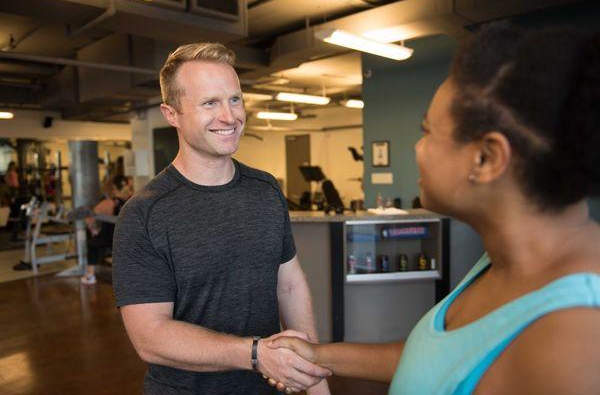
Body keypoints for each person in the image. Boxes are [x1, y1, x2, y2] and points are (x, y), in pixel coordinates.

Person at [268, 24, 600, 394]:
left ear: (486, 158)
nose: (418, 148)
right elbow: (439, 360)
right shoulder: (507, 258)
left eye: (427, 132)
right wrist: (317, 355)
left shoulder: (577, 335)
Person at [112, 43, 331, 394]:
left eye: (234, 99)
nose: (229, 117)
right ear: (172, 114)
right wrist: (257, 354)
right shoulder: (144, 214)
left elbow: (289, 283)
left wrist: (314, 378)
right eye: (209, 103)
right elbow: (150, 336)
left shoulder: (266, 189)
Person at [80, 175, 132, 285]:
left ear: (113, 187)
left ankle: (90, 276)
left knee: (92, 244)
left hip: (110, 239)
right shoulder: (131, 201)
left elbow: (89, 219)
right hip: (125, 239)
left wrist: (94, 231)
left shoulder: (108, 203)